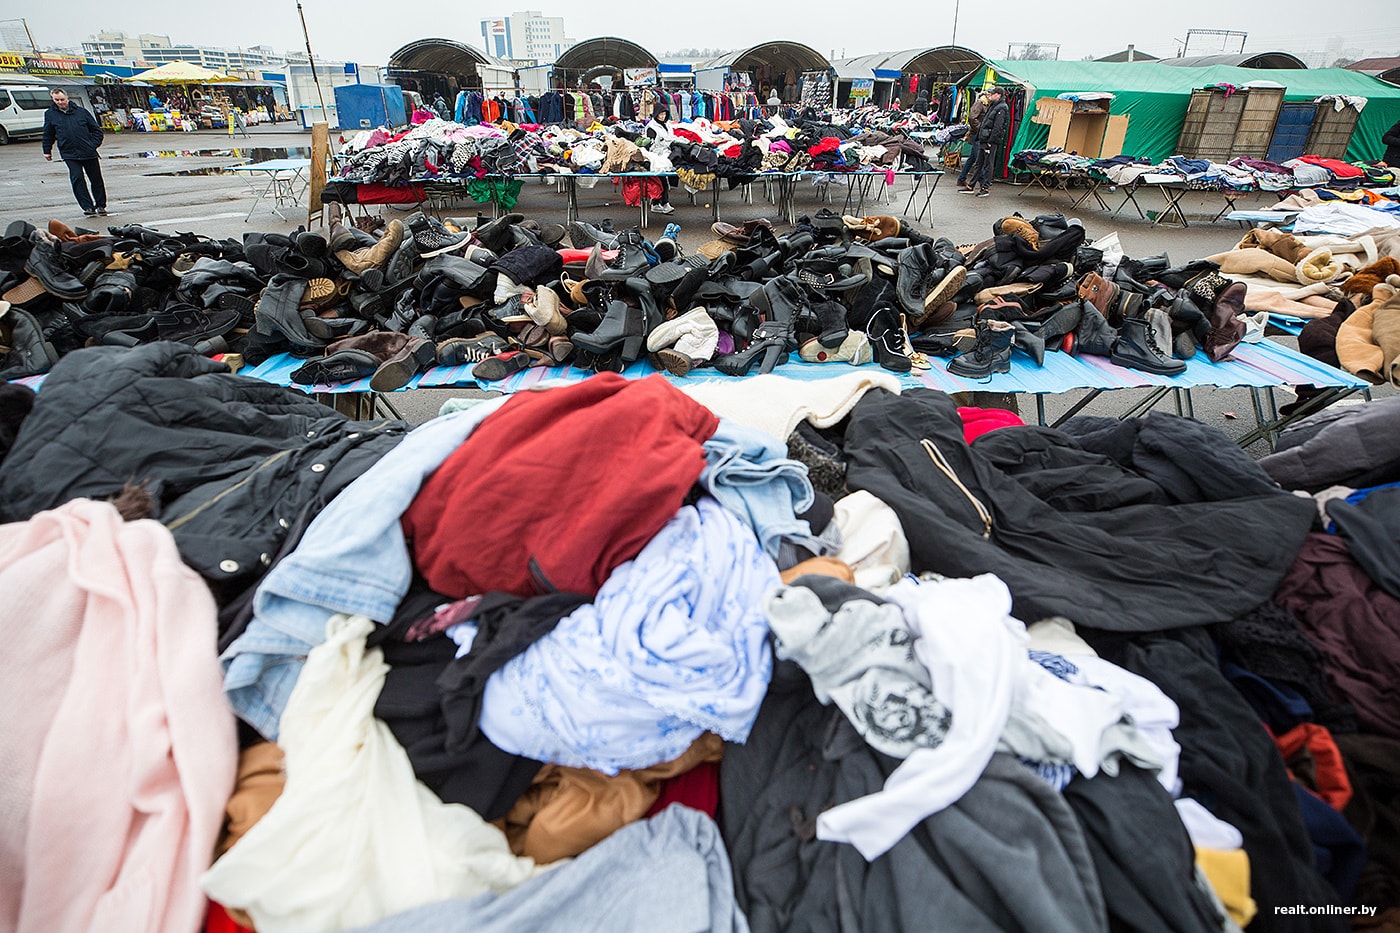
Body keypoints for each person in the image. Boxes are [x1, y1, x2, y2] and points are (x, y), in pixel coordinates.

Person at [42, 88, 109, 218]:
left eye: (62, 99)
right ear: (53, 100)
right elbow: (48, 133)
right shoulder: (50, 114)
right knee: (77, 178)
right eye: (57, 100)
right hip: (69, 153)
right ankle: (87, 207)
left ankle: (100, 205)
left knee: (96, 179)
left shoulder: (82, 112)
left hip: (88, 151)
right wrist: (47, 150)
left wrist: (92, 145)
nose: (60, 102)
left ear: (67, 98)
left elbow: (97, 131)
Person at [971, 88, 1009, 197]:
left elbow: (998, 126)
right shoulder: (994, 105)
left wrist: (991, 140)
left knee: (988, 164)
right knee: (979, 162)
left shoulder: (1002, 107)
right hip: (985, 138)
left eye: (992, 94)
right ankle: (971, 185)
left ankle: (985, 187)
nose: (990, 95)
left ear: (998, 95)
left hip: (990, 140)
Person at [643, 107, 676, 214]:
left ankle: (658, 203)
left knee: (661, 181)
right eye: (660, 114)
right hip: (656, 157)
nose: (662, 117)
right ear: (656, 114)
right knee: (661, 181)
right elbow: (651, 144)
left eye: (664, 114)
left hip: (666, 155)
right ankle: (662, 203)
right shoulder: (651, 127)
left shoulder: (667, 125)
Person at [957, 89, 992, 192]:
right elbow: (972, 117)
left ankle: (962, 178)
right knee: (978, 159)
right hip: (976, 134)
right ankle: (982, 182)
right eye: (990, 94)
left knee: (972, 157)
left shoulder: (986, 104)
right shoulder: (980, 104)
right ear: (986, 95)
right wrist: (980, 128)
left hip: (977, 132)